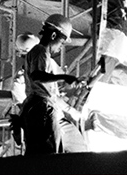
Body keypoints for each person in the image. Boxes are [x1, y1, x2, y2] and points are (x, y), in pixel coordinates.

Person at [18, 13, 84, 154]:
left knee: (50, 151)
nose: (61, 47)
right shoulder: (40, 52)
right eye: (61, 43)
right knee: (49, 155)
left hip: (40, 107)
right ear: (53, 36)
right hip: (42, 108)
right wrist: (64, 77)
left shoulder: (42, 55)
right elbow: (37, 76)